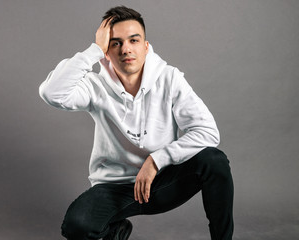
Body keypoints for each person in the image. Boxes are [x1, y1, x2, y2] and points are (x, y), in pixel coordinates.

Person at [39, 5, 234, 240]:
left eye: (133, 40)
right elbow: (52, 93)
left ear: (146, 46)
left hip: (162, 182)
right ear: (106, 52)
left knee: (214, 160)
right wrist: (93, 50)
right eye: (115, 43)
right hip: (114, 189)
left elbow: (208, 132)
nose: (126, 49)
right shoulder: (95, 86)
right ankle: (116, 230)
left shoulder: (168, 78)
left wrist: (156, 160)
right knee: (76, 226)